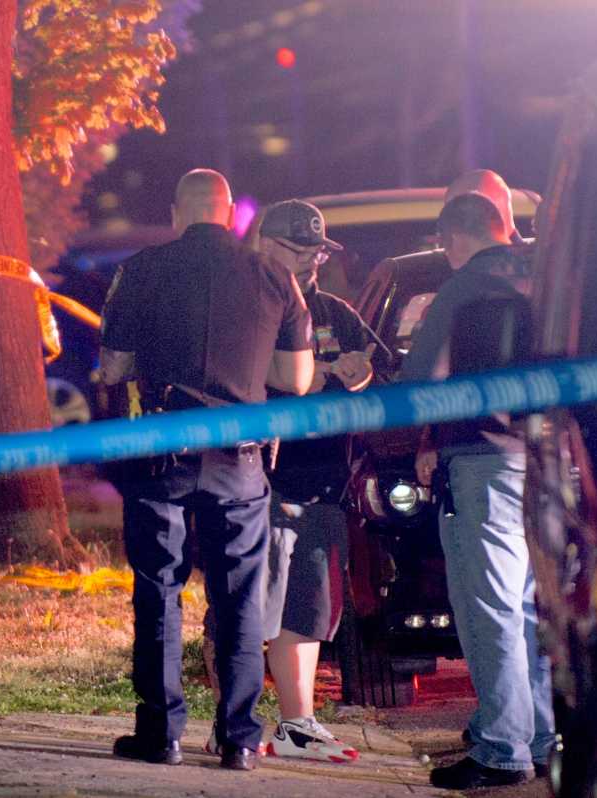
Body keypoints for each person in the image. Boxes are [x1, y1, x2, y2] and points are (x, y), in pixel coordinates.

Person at [100, 169, 314, 772]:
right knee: (241, 598)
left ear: (177, 212)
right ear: (229, 214)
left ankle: (161, 733)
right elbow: (296, 379)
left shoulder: (141, 269)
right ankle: (240, 739)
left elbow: (113, 368)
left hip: (161, 452)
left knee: (159, 589)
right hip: (239, 456)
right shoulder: (275, 276)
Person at [401, 191, 553, 790]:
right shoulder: (546, 276)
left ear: (450, 238)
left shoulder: (463, 287)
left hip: (484, 460)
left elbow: (420, 379)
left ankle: (500, 749)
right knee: (527, 609)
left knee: (489, 609)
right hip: (546, 464)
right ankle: (540, 735)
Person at [243, 200, 376, 763]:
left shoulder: (334, 311)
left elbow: (376, 361)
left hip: (325, 479)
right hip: (261, 479)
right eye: (301, 250)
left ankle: (297, 724)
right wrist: (314, 374)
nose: (312, 262)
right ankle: (237, 720)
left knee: (310, 609)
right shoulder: (244, 306)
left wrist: (360, 371)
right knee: (250, 607)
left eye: (319, 251)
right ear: (266, 245)